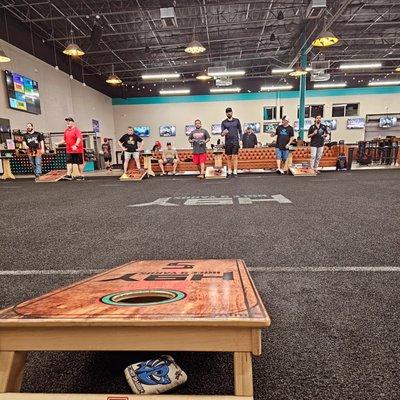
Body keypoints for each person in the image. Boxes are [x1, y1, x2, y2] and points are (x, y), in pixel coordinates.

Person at [221, 107, 242, 177]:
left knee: (235, 157)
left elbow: (240, 130)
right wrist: (224, 133)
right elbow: (222, 134)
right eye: (227, 112)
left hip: (235, 141)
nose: (229, 113)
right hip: (228, 142)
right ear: (226, 113)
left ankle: (235, 172)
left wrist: (241, 140)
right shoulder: (223, 122)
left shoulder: (237, 120)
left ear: (232, 112)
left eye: (230, 112)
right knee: (229, 157)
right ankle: (229, 172)